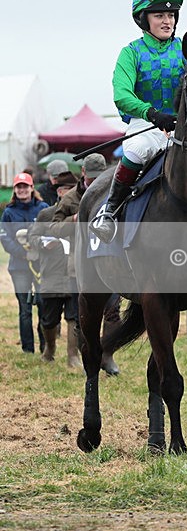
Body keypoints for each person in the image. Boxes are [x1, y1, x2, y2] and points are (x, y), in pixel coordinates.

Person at [90, 0, 186, 243]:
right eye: (160, 15)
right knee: (135, 150)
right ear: (144, 20)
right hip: (146, 126)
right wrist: (153, 114)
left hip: (183, 128)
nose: (167, 21)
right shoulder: (130, 53)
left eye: (171, 15)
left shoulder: (184, 50)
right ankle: (109, 212)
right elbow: (122, 96)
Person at [49, 154, 121, 375]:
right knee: (85, 313)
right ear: (83, 174)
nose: (94, 182)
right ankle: (86, 352)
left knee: (113, 312)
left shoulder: (114, 192)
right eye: (91, 178)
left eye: (98, 177)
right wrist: (74, 220)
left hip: (109, 259)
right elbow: (54, 227)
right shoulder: (70, 199)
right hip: (80, 263)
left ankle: (107, 355)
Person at [26, 172, 80, 364]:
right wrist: (42, 242)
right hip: (51, 273)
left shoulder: (82, 213)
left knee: (74, 317)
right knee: (49, 319)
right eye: (68, 189)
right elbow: (31, 237)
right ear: (59, 191)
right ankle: (49, 350)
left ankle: (73, 355)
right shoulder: (46, 214)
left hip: (74, 273)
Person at [0, 173, 48, 353]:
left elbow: (51, 230)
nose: (22, 190)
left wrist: (40, 251)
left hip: (42, 267)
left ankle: (46, 345)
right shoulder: (9, 212)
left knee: (44, 305)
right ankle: (28, 348)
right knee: (25, 308)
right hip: (19, 268)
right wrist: (24, 254)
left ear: (32, 188)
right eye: (18, 187)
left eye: (25, 186)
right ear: (14, 190)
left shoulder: (43, 208)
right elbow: (6, 240)